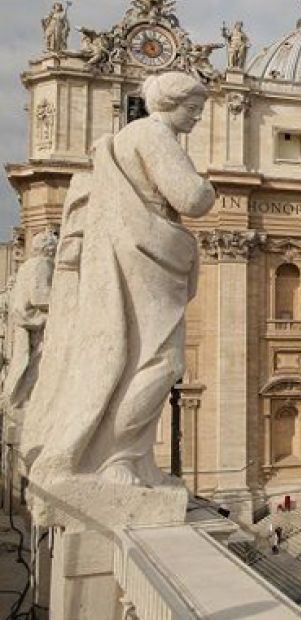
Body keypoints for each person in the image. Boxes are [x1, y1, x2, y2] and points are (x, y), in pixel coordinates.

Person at [24, 71, 215, 490]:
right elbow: (193, 198)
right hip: (145, 257)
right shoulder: (154, 136)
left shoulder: (125, 138)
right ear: (171, 103)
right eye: (194, 109)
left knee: (136, 360)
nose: (198, 119)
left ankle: (128, 457)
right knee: (158, 361)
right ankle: (118, 457)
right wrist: (209, 188)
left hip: (141, 254)